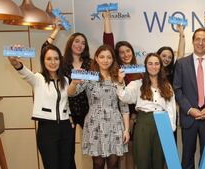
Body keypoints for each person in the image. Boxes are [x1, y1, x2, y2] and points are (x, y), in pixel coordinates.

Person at [8, 44, 74, 169]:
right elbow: (23, 71)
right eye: (49, 59)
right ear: (43, 60)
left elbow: (71, 96)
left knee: (67, 165)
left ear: (60, 60)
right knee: (51, 165)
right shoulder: (38, 78)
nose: (53, 62)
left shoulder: (65, 80)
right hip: (47, 128)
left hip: (66, 128)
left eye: (56, 58)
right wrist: (14, 62)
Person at [67, 45, 130, 169]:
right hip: (94, 124)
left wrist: (126, 130)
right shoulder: (90, 77)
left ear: (113, 60)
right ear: (96, 58)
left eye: (108, 57)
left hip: (115, 124)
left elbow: (124, 106)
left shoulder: (118, 77)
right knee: (98, 164)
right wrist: (74, 82)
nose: (105, 60)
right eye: (102, 57)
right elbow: (71, 93)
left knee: (114, 163)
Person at [173, 28, 205, 169]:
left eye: (204, 40)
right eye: (198, 39)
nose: (201, 43)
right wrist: (190, 109)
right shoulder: (181, 63)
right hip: (189, 117)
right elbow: (177, 90)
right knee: (187, 157)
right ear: (193, 41)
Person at [117, 53, 176, 169]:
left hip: (163, 122)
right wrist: (120, 82)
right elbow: (124, 97)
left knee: (159, 160)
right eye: (150, 63)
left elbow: (171, 108)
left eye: (156, 64)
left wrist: (171, 127)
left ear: (160, 66)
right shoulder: (137, 84)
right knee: (142, 159)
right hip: (144, 122)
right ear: (145, 66)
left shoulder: (167, 86)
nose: (153, 66)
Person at [45, 23, 92, 169]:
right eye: (77, 41)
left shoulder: (91, 64)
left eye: (83, 43)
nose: (80, 45)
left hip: (88, 111)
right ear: (70, 43)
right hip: (67, 111)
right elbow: (45, 50)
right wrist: (56, 30)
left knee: (93, 150)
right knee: (68, 151)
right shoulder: (62, 62)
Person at [102, 11, 142, 168]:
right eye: (121, 52)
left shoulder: (140, 70)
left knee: (133, 153)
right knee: (120, 155)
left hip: (137, 119)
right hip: (119, 118)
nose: (125, 54)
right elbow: (108, 44)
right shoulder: (116, 69)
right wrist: (107, 20)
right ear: (116, 56)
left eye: (128, 51)